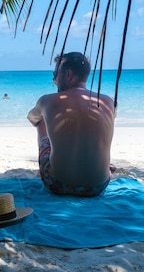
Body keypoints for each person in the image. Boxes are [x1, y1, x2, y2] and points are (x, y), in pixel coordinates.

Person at [27, 52, 116, 197]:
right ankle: (100, 166)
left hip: (57, 184)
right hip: (98, 186)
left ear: (68, 74)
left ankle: (58, 166)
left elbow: (32, 118)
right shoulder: (108, 102)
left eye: (55, 73)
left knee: (41, 121)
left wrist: (50, 114)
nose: (54, 79)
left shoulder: (47, 100)